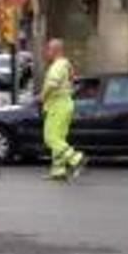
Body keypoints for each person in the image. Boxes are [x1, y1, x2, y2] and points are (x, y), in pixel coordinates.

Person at [41, 39, 88, 181]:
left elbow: (52, 84)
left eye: (48, 50)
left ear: (54, 50)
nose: (46, 53)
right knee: (59, 139)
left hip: (58, 105)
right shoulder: (67, 64)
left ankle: (76, 158)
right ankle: (58, 170)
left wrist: (42, 96)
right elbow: (73, 81)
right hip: (65, 103)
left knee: (51, 138)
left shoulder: (58, 66)